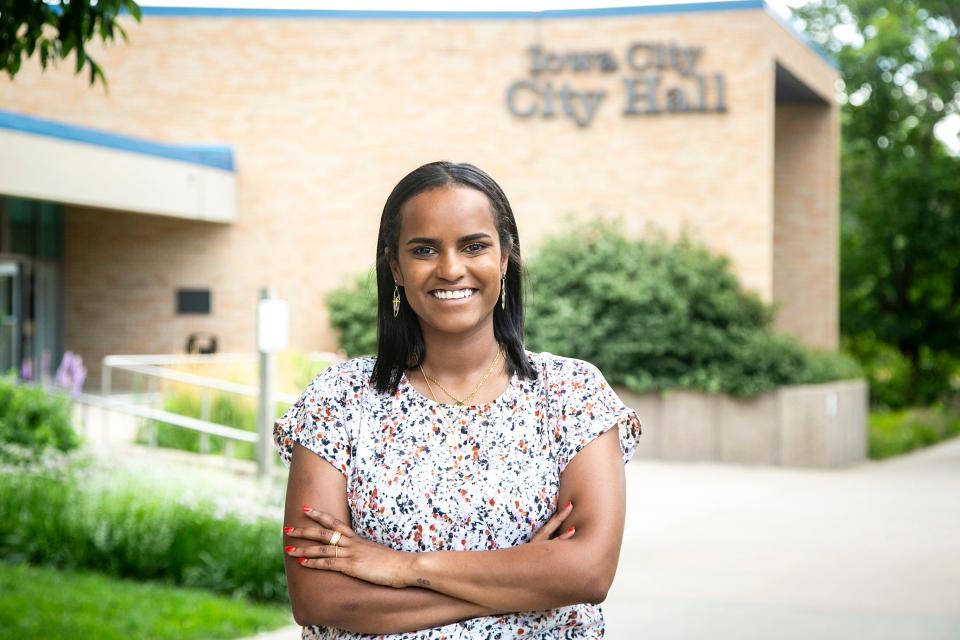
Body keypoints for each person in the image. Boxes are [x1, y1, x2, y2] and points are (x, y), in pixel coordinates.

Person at [274, 161, 642, 639]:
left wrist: (405, 568)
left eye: (474, 246)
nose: (450, 269)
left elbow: (587, 574)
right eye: (424, 250)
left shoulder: (571, 394)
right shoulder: (338, 401)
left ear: (505, 257)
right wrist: (525, 578)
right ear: (396, 269)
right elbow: (321, 599)